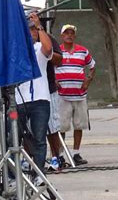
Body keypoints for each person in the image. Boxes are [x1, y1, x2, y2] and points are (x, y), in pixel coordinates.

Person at [15, 14, 53, 182]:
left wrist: (39, 26)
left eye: (33, 30)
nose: (32, 33)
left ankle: (38, 174)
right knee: (14, 137)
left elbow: (49, 49)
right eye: (29, 29)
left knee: (39, 138)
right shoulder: (16, 49)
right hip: (19, 99)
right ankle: (14, 174)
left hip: (40, 99)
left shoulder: (39, 48)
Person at [55, 24, 95, 166]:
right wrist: (54, 81)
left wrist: (88, 81)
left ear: (75, 36)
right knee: (61, 126)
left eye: (72, 33)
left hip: (80, 95)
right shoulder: (57, 51)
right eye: (66, 33)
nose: (69, 35)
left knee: (79, 125)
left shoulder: (83, 51)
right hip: (62, 95)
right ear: (62, 35)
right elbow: (49, 67)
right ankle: (60, 155)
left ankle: (76, 153)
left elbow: (92, 66)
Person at [45, 31, 64, 171]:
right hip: (26, 91)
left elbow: (58, 59)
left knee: (52, 127)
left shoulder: (47, 38)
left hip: (48, 89)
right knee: (28, 131)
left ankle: (55, 158)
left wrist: (48, 51)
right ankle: (28, 161)